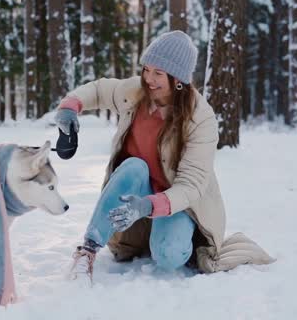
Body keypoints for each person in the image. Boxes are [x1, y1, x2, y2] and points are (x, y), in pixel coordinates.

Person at [55, 30, 226, 282]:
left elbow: (191, 184)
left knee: (169, 256)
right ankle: (88, 250)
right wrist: (70, 108)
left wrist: (148, 205)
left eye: (158, 73)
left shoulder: (200, 118)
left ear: (178, 79)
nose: (148, 79)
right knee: (134, 165)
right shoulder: (134, 92)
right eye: (146, 69)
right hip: (134, 187)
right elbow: (100, 90)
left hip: (176, 201)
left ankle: (179, 237)